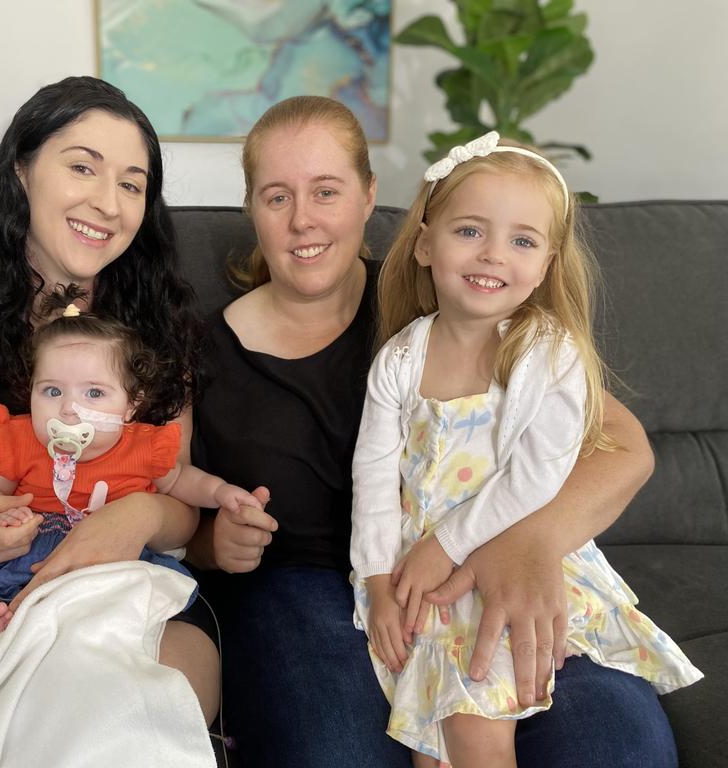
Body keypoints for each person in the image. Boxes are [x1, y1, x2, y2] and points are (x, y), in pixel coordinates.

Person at [187, 95, 679, 767]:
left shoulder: (451, 298)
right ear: (250, 207)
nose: (303, 218)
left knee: (619, 745)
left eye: (326, 191)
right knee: (355, 751)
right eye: (277, 197)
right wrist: (214, 541)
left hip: (484, 554)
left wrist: (528, 543)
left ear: (368, 196)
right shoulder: (201, 353)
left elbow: (621, 447)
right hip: (312, 586)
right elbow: (170, 512)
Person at [349, 132, 702, 767]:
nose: (492, 255)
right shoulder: (401, 358)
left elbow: (540, 474)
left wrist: (446, 546)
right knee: (430, 745)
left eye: (521, 240)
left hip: (506, 553)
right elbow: (372, 476)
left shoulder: (546, 352)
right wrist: (376, 579)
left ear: (546, 264)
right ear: (425, 242)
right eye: (469, 231)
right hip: (424, 575)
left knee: (474, 730)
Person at [0, 76, 220, 722]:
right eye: (82, 168)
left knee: (152, 704)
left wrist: (144, 515)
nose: (108, 202)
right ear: (21, 171)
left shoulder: (158, 336)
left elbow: (180, 507)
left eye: (131, 184)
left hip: (125, 588)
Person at [0, 289, 259, 693]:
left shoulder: (141, 447)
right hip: (20, 563)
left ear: (131, 404)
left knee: (118, 633)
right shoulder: (22, 443)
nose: (69, 409)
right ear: (30, 392)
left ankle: (29, 647)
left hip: (106, 573)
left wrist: (224, 494)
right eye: (52, 391)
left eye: (94, 393)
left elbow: (183, 483)